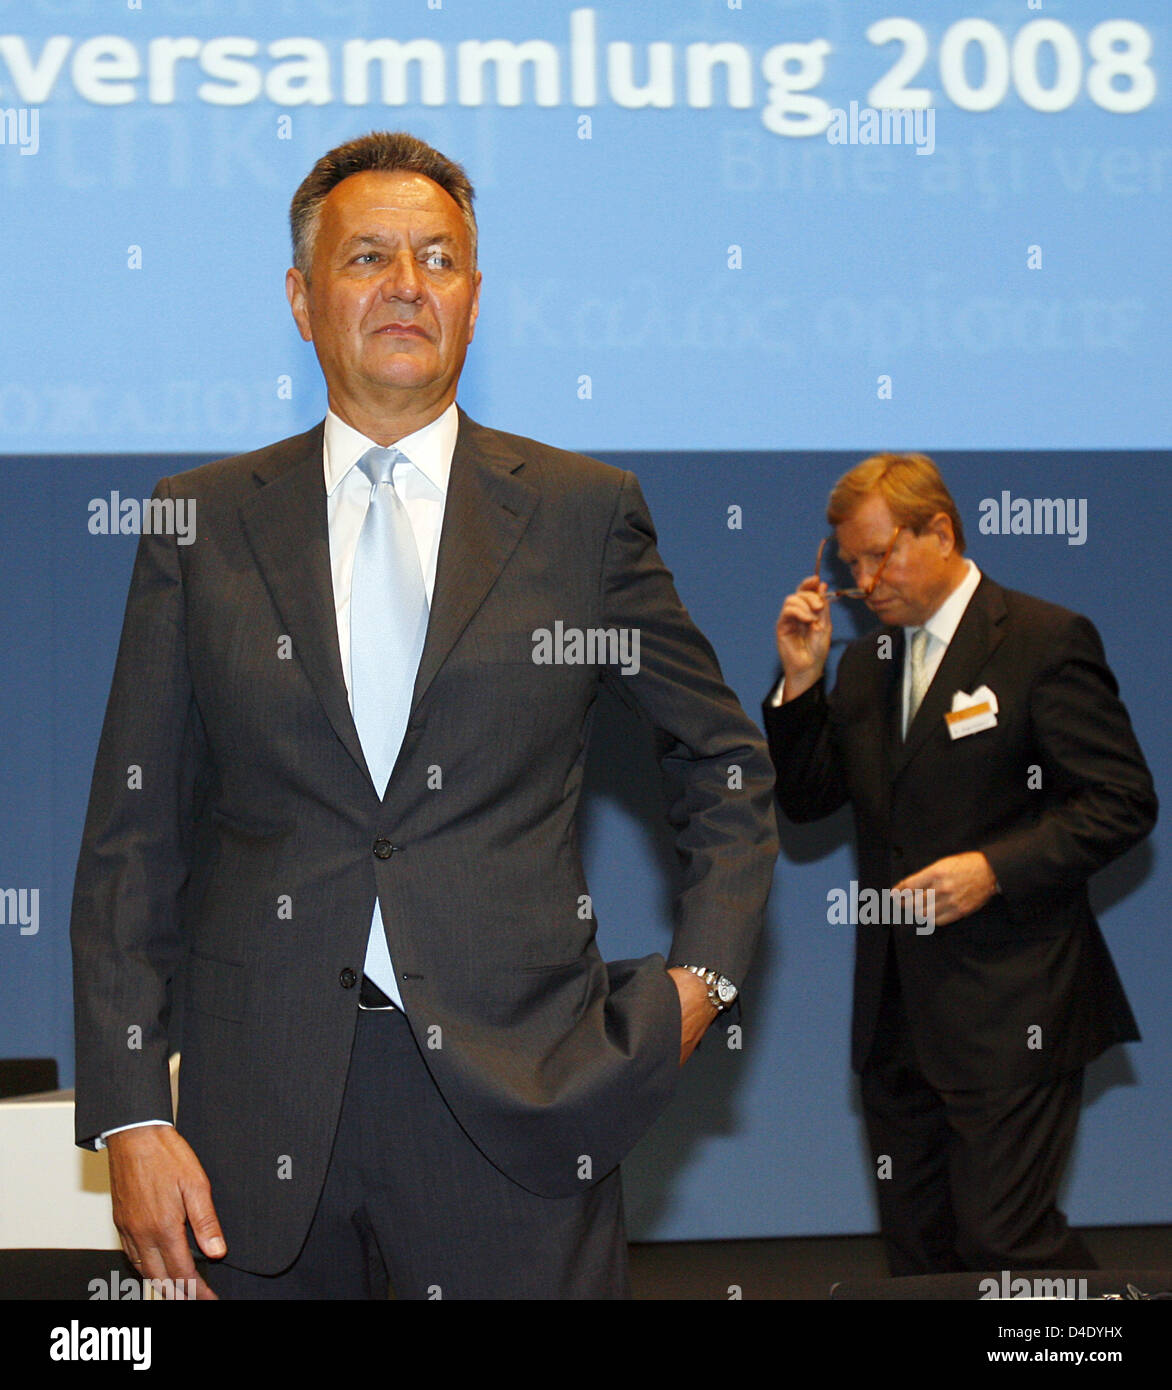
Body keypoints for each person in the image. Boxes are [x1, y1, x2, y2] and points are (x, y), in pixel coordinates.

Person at [70, 131, 778, 1300]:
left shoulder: (581, 514)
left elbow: (724, 767)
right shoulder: (195, 522)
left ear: (473, 297)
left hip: (526, 1107)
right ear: (301, 299)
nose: (406, 282)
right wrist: (133, 1116)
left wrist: (697, 988)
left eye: (437, 257)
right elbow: (130, 841)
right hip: (252, 1131)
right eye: (367, 257)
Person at [764, 452, 1156, 1277]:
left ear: (940, 531)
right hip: (898, 1021)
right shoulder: (868, 668)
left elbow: (1122, 801)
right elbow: (807, 802)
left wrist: (993, 869)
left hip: (1015, 1007)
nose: (865, 582)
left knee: (1006, 1247)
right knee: (924, 1261)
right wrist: (801, 684)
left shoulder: (1044, 641)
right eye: (850, 565)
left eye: (881, 555)